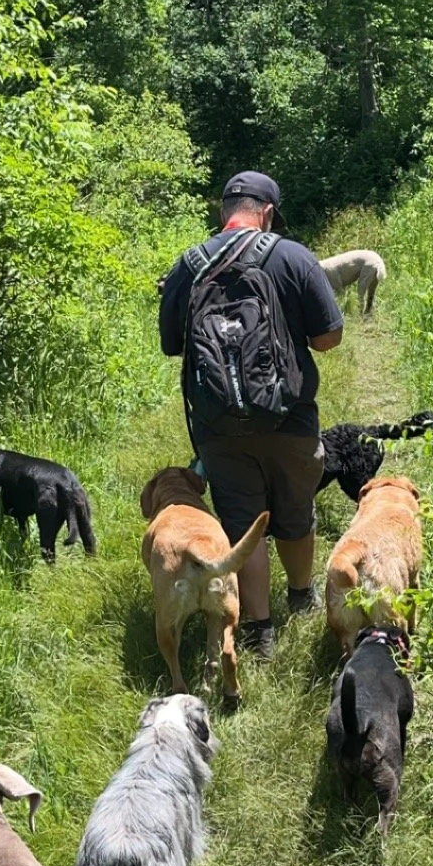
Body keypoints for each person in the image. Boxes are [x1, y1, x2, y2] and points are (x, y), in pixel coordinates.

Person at [159, 171, 343, 657]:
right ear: (265, 212)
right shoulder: (291, 255)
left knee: (246, 526)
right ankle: (300, 597)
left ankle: (260, 632)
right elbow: (328, 338)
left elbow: (172, 346)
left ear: (225, 212)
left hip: (219, 426)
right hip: (290, 417)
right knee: (295, 514)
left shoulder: (189, 264)